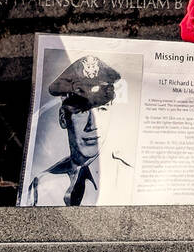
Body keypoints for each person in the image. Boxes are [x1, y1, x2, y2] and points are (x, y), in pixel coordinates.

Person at [26, 55, 128, 206]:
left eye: (102, 109)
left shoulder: (126, 177)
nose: (93, 125)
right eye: (82, 111)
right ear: (63, 118)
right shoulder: (41, 187)